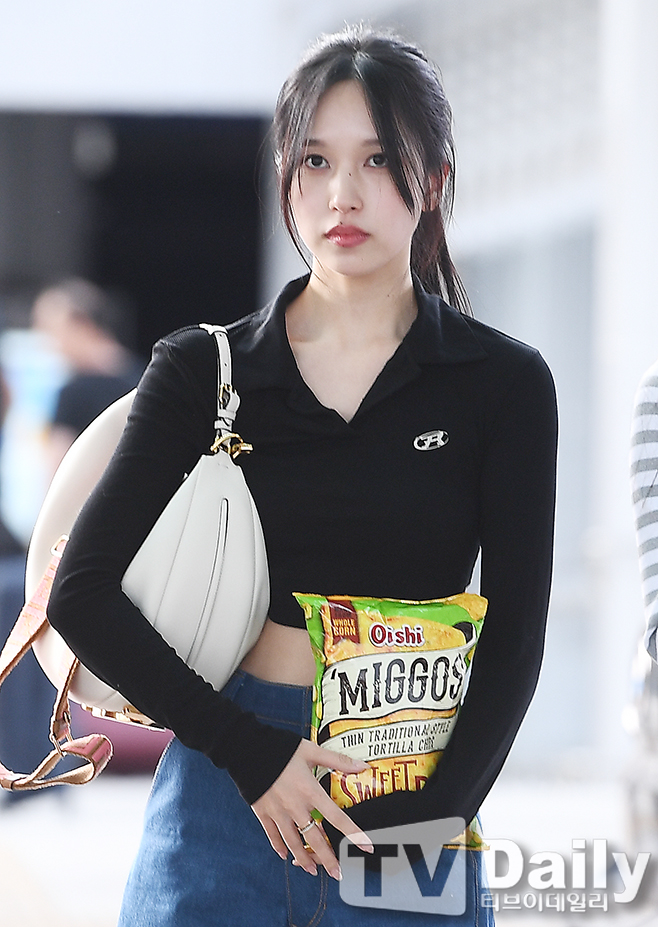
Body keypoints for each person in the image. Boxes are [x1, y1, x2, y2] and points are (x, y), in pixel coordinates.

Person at [47, 25, 557, 926]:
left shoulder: (503, 383)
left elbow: (516, 635)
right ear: (286, 176)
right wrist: (251, 754)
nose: (341, 193)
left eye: (377, 159)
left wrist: (433, 820)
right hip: (228, 782)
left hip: (413, 787)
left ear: (435, 178)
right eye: (315, 160)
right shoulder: (203, 370)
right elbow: (81, 594)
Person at [31, 277, 144, 472]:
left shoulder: (73, 393)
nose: (48, 343)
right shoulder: (147, 376)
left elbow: (57, 470)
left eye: (49, 328)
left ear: (80, 323)